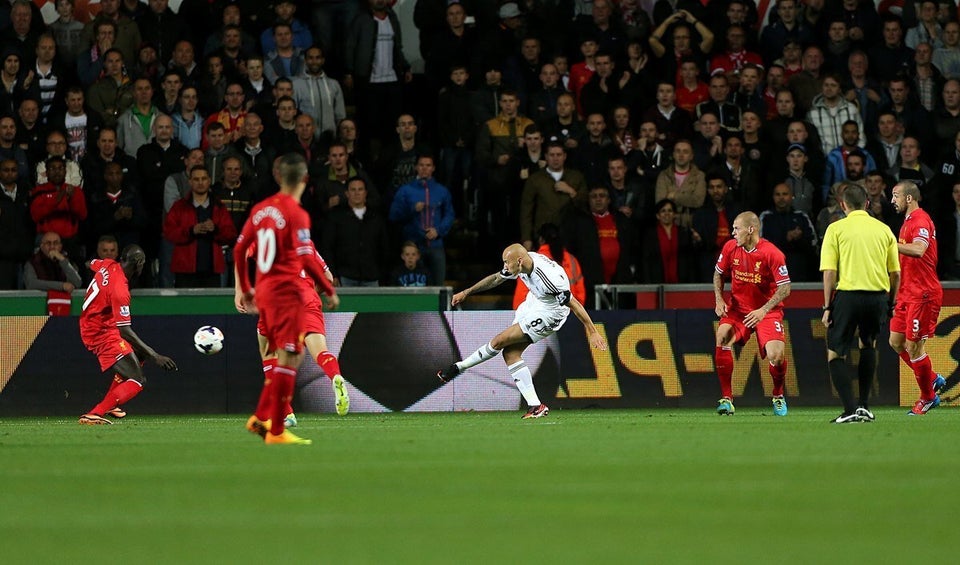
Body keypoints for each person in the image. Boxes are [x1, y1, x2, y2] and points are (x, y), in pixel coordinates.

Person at [234, 153, 340, 445]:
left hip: (266, 295)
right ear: (304, 181)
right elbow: (307, 257)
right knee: (292, 356)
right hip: (287, 296)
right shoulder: (296, 215)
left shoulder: (260, 211)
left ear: (279, 177)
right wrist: (328, 291)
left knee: (276, 355)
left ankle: (268, 421)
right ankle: (274, 428)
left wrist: (242, 288)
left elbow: (239, 249)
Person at [437, 243, 607, 419]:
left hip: (552, 312)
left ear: (519, 261)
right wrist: (466, 292)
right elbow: (496, 278)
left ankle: (459, 367)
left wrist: (592, 331)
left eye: (506, 262)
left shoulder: (549, 279)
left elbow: (574, 304)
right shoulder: (522, 263)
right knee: (510, 354)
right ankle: (536, 406)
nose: (504, 266)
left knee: (499, 341)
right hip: (535, 301)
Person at [820, 184, 901, 423]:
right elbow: (895, 273)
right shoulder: (884, 230)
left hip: (848, 296)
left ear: (843, 205)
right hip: (877, 297)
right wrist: (892, 302)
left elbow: (829, 272)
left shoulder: (835, 229)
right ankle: (864, 406)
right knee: (868, 345)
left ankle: (849, 410)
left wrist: (827, 306)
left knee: (835, 353)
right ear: (867, 203)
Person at [78, 244, 178, 425]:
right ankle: (95, 413)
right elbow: (124, 330)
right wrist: (156, 356)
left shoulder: (107, 265)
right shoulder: (120, 289)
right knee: (138, 380)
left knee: (139, 354)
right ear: (139, 263)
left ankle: (111, 404)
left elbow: (89, 263)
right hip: (100, 332)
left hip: (97, 324)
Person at [713, 212, 792, 416]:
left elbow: (785, 288)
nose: (732, 233)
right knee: (722, 337)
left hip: (768, 311)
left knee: (776, 356)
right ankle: (727, 399)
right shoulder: (730, 247)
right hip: (739, 310)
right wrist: (719, 299)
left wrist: (763, 310)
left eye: (736, 228)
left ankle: (778, 395)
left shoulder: (772, 253)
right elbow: (718, 274)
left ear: (751, 230)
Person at [889, 181, 947, 415]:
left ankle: (928, 397)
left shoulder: (920, 220)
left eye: (895, 196)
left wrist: (890, 244)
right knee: (896, 341)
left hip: (923, 294)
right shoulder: (906, 223)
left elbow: (919, 249)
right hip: (906, 293)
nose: (892, 200)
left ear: (909, 198)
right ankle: (931, 378)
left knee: (914, 346)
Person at [163, 165, 238, 288]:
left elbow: (230, 234)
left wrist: (216, 229)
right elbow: (169, 232)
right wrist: (191, 231)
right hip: (185, 270)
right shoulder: (179, 206)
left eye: (203, 179)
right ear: (190, 182)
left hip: (212, 270)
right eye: (196, 179)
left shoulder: (219, 207)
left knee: (211, 307)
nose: (200, 183)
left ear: (209, 181)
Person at [388, 155, 455, 286]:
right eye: (421, 165)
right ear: (416, 167)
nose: (424, 168)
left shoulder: (442, 191)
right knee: (415, 284)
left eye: (428, 165)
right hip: (413, 247)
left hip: (436, 245)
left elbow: (449, 214)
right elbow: (393, 215)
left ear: (433, 168)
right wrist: (412, 209)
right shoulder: (405, 190)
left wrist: (438, 230)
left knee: (438, 287)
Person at [24, 231, 83, 316]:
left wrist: (62, 260)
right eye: (48, 243)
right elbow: (31, 283)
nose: (52, 247)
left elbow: (78, 282)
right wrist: (61, 286)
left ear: (60, 246)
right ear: (41, 246)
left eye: (55, 243)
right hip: (37, 310)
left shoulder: (67, 262)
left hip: (65, 308)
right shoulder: (32, 262)